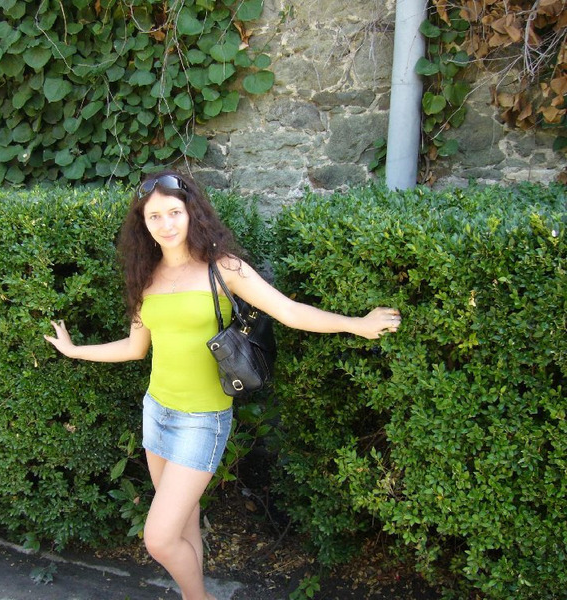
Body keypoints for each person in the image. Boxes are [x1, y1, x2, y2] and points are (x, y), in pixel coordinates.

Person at [44, 170, 401, 600]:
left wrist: (356, 324)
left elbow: (289, 312)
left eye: (174, 212)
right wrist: (75, 351)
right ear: (143, 223)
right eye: (154, 216)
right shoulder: (146, 276)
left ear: (191, 212)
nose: (166, 224)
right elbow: (136, 348)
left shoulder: (223, 268)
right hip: (157, 412)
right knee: (184, 523)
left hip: (202, 421)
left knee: (158, 539)